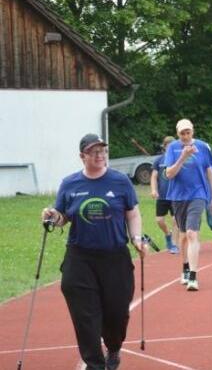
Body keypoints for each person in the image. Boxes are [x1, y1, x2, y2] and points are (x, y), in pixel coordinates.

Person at [41, 134, 145, 370]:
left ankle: (114, 348)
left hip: (115, 256)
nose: (99, 155)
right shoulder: (70, 184)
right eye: (93, 151)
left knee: (117, 313)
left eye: (102, 151)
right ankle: (94, 363)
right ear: (82, 156)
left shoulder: (120, 182)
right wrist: (52, 216)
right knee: (85, 315)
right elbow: (62, 216)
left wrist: (137, 238)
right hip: (80, 257)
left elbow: (133, 213)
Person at [165, 119, 212, 291]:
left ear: (193, 131)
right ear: (177, 133)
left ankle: (194, 277)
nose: (185, 136)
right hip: (178, 196)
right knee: (182, 236)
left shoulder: (203, 146)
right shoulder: (172, 148)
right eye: (182, 133)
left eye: (188, 132)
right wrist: (183, 156)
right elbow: (169, 174)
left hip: (198, 194)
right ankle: (185, 267)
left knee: (191, 233)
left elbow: (210, 170)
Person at [150, 136, 180, 254]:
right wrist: (153, 189)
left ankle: (174, 244)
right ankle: (168, 234)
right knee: (159, 220)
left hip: (176, 195)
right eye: (168, 146)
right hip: (162, 196)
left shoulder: (179, 159)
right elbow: (153, 176)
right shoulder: (159, 160)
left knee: (175, 220)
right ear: (165, 147)